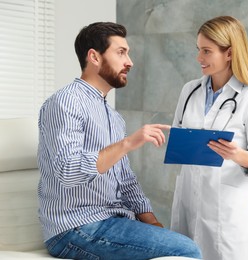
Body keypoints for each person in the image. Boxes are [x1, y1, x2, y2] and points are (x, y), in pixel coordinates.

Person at [37, 22, 201, 260]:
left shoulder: (113, 117)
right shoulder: (65, 103)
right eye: (121, 52)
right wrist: (127, 144)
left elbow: (125, 180)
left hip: (112, 220)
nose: (130, 62)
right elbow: (68, 171)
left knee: (176, 244)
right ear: (94, 56)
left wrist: (153, 224)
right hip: (74, 228)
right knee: (187, 250)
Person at [170, 16, 248, 260]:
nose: (199, 58)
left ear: (229, 53)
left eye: (206, 51)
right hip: (187, 197)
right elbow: (178, 134)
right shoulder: (189, 90)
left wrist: (238, 155)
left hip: (226, 209)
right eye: (198, 50)